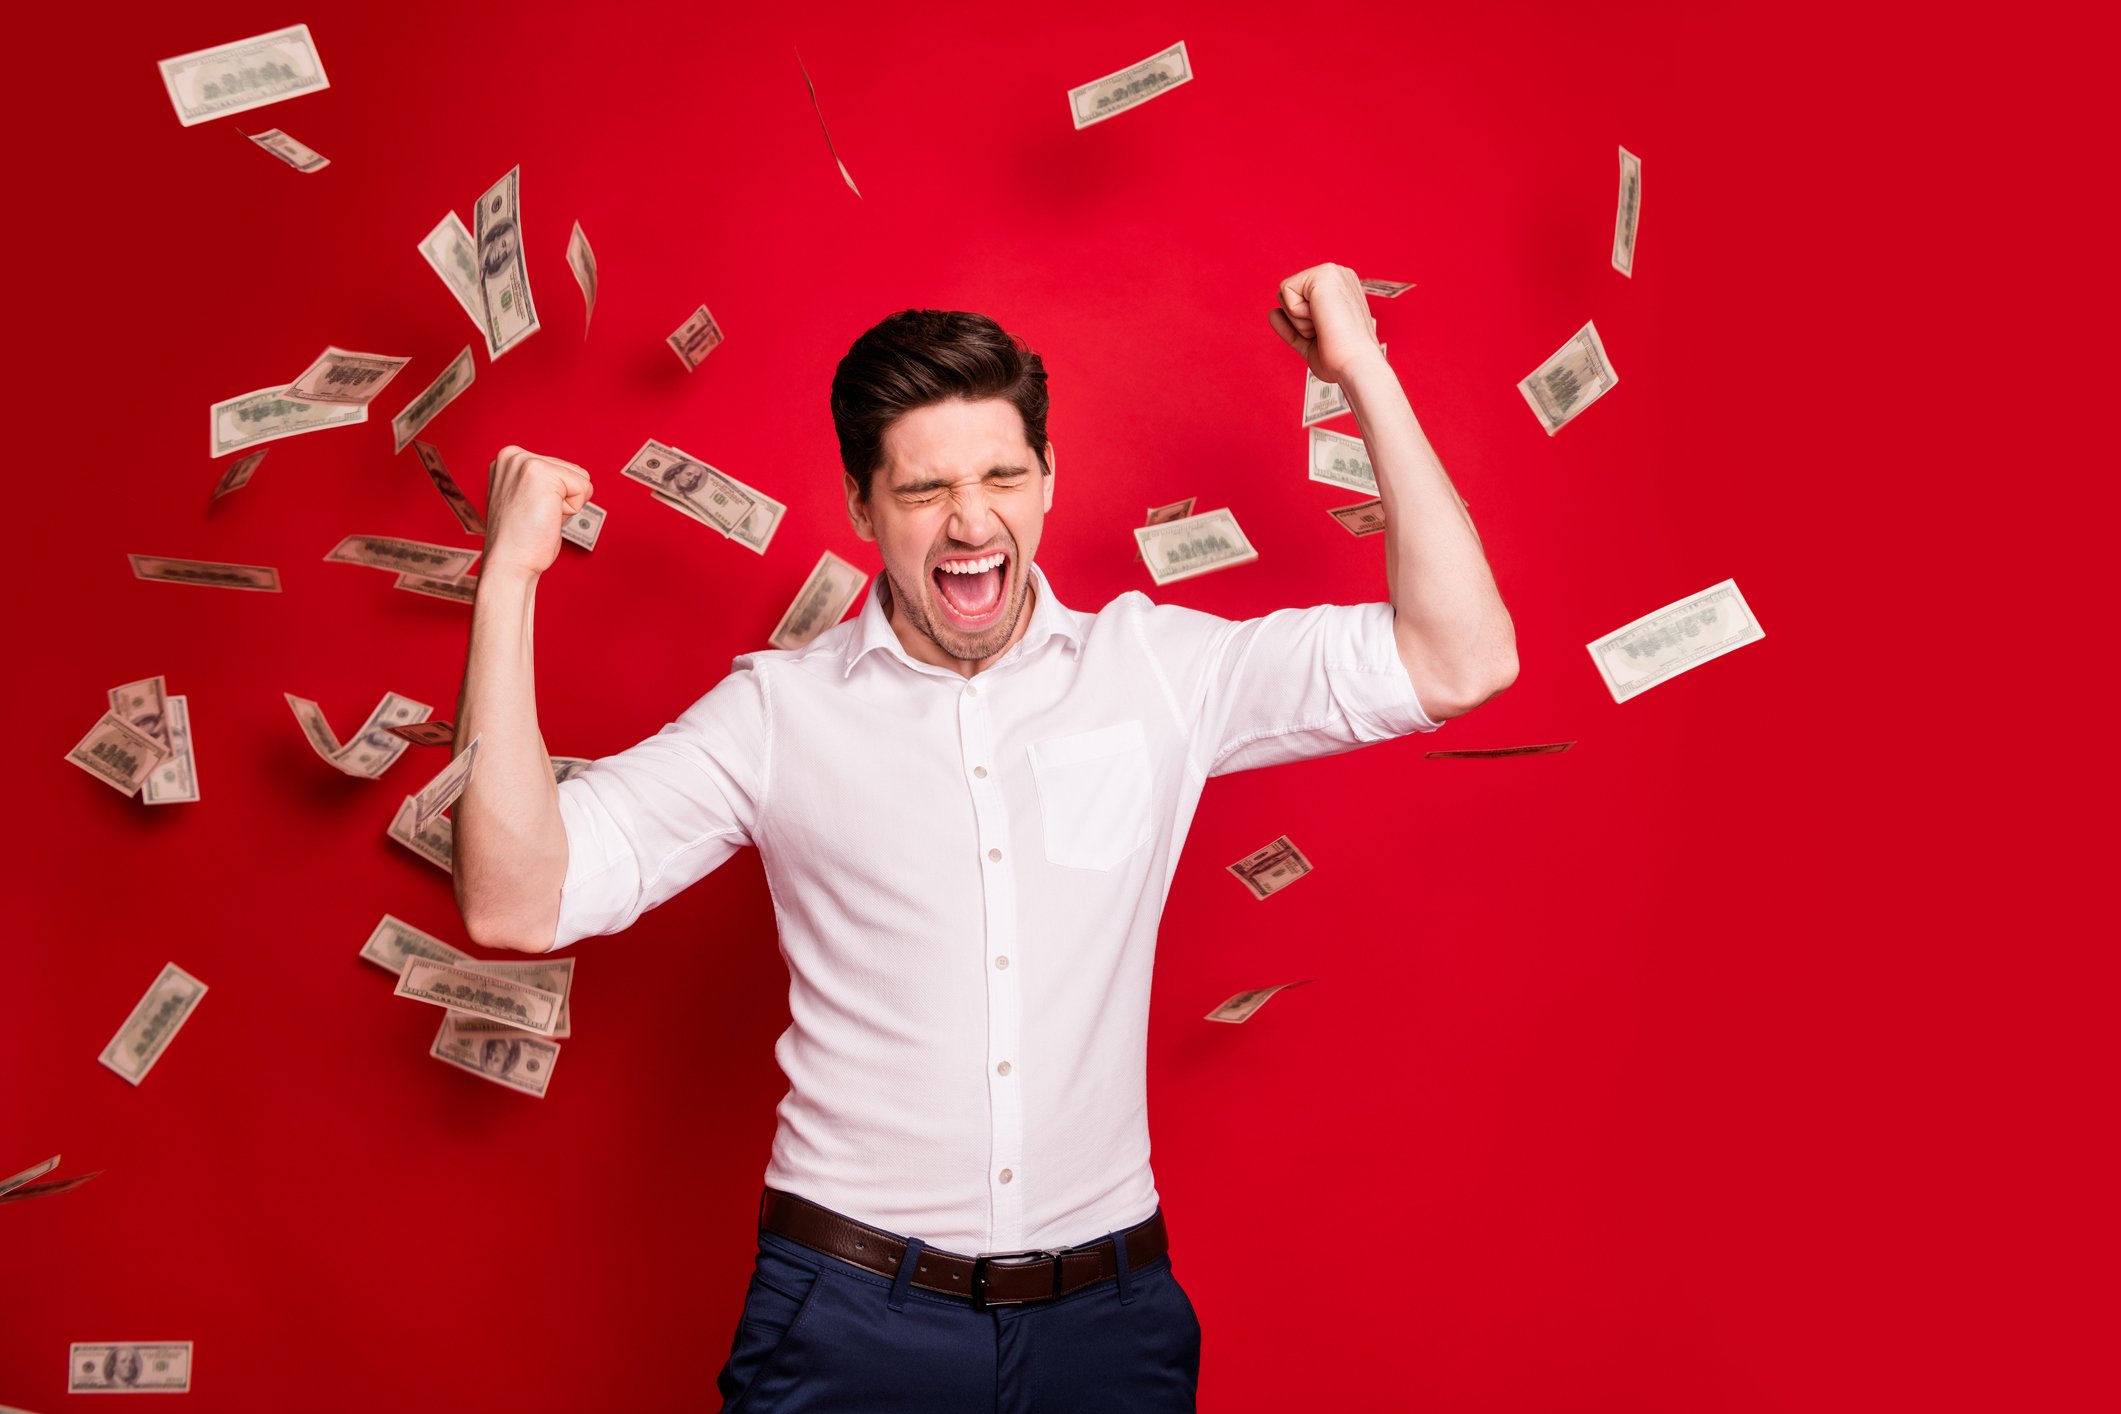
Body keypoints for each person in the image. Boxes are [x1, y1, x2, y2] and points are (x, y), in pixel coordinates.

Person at [449, 263, 1517, 1411]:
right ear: (863, 508)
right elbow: (514, 899)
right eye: (925, 490)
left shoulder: (1158, 669)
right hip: (850, 1321)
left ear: (1049, 481)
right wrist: (506, 579)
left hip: (1110, 1324)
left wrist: (1362, 367)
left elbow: (1464, 658)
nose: (971, 520)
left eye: (1003, 474)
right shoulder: (774, 713)